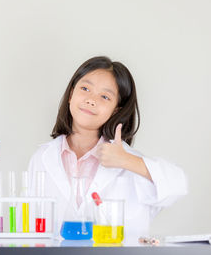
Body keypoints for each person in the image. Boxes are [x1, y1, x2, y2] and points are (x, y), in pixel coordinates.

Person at [27, 56, 188, 241]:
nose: (91, 100)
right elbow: (32, 228)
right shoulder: (43, 158)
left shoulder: (130, 164)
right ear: (71, 94)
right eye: (85, 88)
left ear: (116, 110)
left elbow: (178, 185)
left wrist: (126, 160)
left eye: (105, 96)